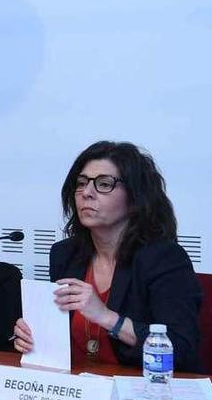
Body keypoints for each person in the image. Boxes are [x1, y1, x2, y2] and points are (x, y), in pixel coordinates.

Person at [13, 141, 202, 371]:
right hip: (78, 389)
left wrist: (107, 318)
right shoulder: (65, 254)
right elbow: (60, 336)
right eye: (81, 183)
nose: (86, 193)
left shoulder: (164, 259)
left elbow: (181, 346)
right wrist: (33, 336)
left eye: (104, 184)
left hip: (145, 389)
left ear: (135, 199)